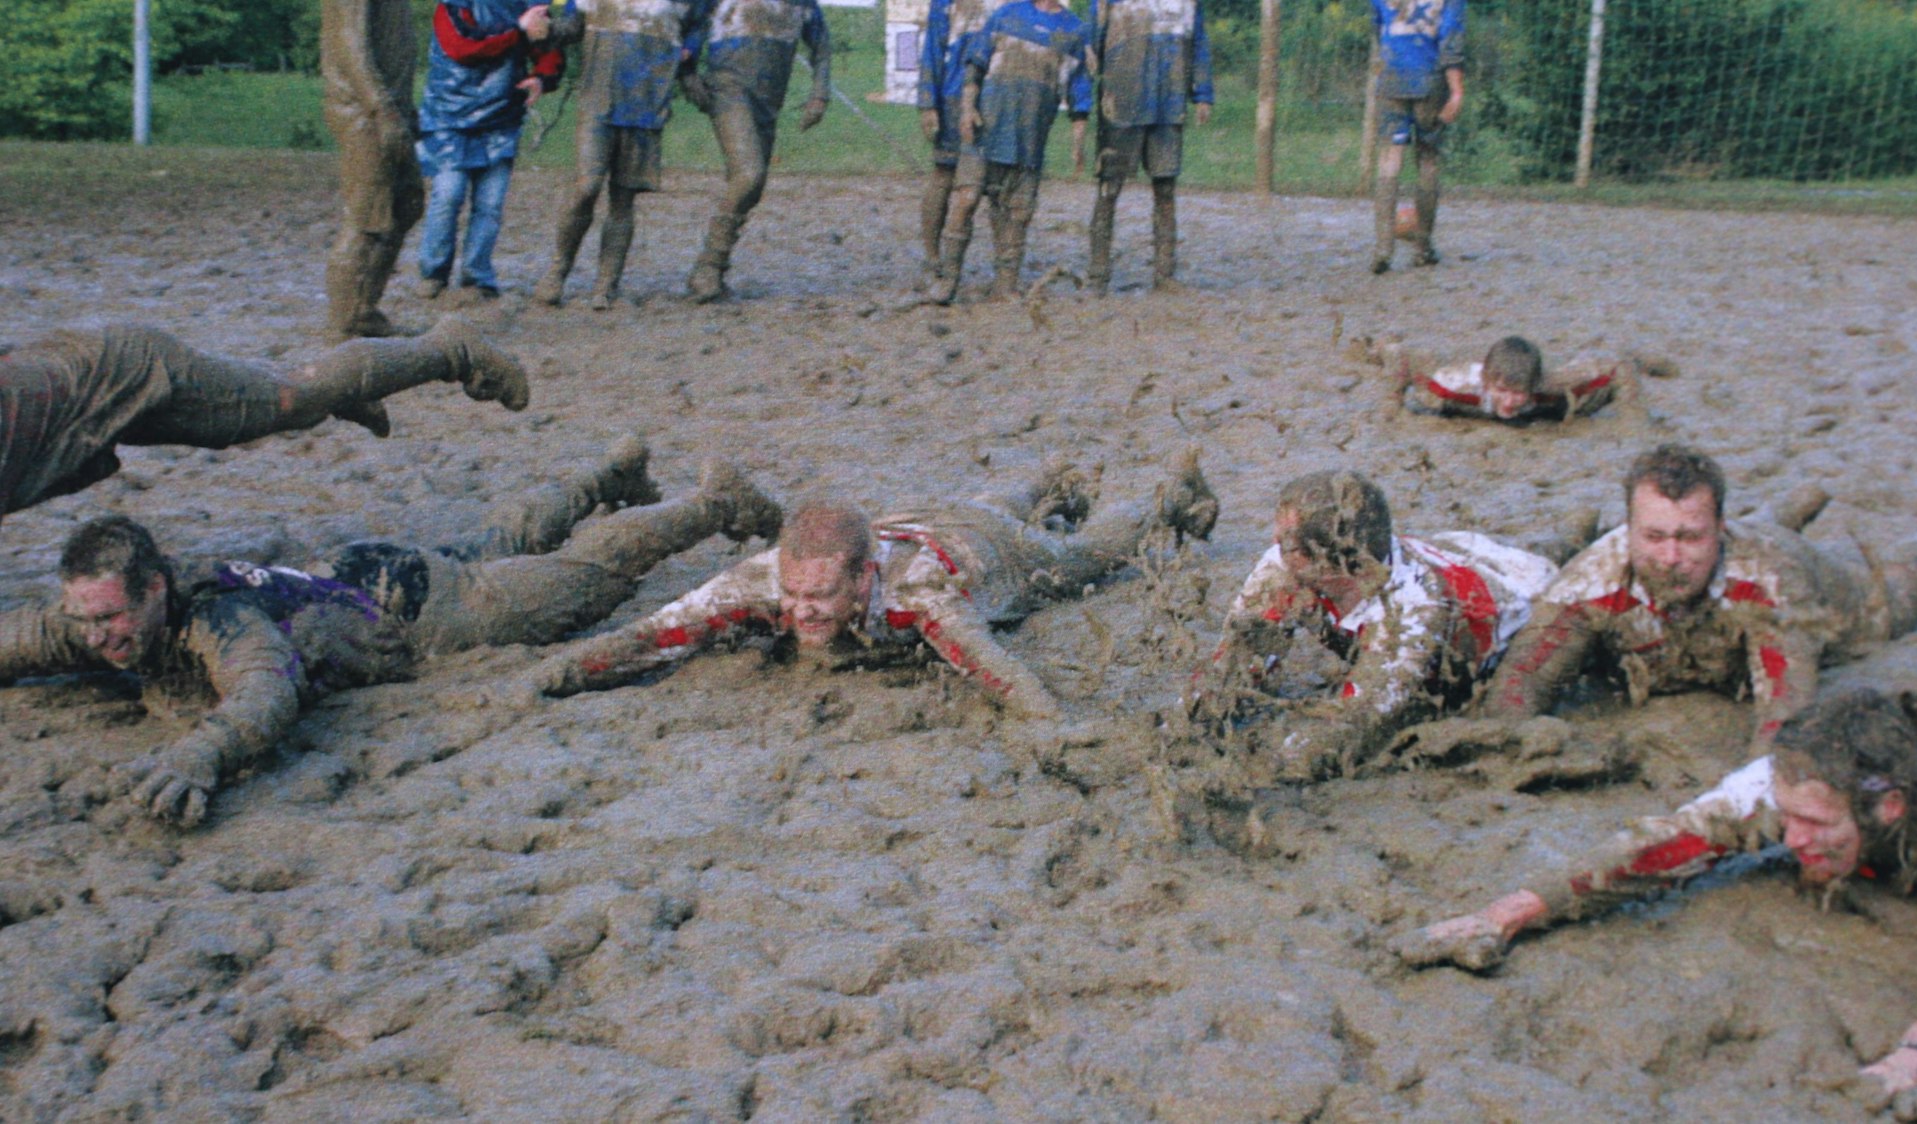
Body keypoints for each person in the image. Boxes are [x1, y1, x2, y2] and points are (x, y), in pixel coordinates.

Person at [0, 448, 783, 827]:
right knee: (498, 541)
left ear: (155, 590)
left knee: (583, 579)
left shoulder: (217, 618)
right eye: (85, 620)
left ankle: (714, 501)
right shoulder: (92, 614)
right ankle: (605, 474)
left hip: (416, 610)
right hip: (352, 574)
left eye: (111, 619)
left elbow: (265, 689)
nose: (97, 636)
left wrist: (199, 753)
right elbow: (19, 639)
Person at [1396, 689, 1917, 1121]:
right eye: (1787, 817)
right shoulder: (1790, 781)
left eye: (1816, 825)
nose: (1791, 840)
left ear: (1890, 808)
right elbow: (1658, 848)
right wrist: (1503, 915)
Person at [527, 452, 1218, 716]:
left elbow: (997, 670)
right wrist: (552, 677)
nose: (802, 612)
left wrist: (1050, 724)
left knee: (1076, 559)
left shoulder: (918, 596)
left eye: (821, 599)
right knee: (987, 502)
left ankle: (1167, 498)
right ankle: (1049, 477)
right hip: (921, 515)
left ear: (864, 580)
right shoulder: (762, 581)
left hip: (986, 550)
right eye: (795, 595)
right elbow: (652, 636)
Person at [1483, 444, 1917, 745]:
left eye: (1690, 538)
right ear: (1627, 530)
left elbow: (1783, 717)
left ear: (1717, 530)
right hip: (1733, 561)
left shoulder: (1769, 587)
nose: (1670, 558)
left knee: (1900, 600)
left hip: (1816, 582)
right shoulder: (1589, 584)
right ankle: (1791, 506)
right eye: (1654, 537)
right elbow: (1520, 682)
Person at [1188, 469, 1560, 780]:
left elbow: (1353, 725)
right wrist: (1192, 720)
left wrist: (1249, 770)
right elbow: (1234, 665)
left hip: (1524, 599)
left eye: (1289, 544)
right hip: (1453, 551)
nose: (1274, 545)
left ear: (1336, 566)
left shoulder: (1412, 613)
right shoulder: (1284, 565)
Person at [0, 318, 530, 526]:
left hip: (128, 373)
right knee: (279, 395)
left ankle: (451, 349)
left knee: (294, 398)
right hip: (86, 372)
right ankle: (346, 388)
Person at [534, 0, 710, 310]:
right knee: (586, 188)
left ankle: (606, 285)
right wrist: (545, 28)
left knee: (623, 200)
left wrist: (690, 51)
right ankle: (558, 270)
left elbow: (698, 23)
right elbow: (572, 27)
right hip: (597, 99)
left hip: (647, 103)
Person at [923, 0, 1094, 305]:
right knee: (965, 199)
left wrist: (1078, 140)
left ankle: (1005, 284)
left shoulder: (1075, 31)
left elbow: (1079, 90)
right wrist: (967, 109)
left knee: (1017, 212)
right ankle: (947, 280)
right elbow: (975, 63)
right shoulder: (1007, 14)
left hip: (1030, 136)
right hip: (986, 126)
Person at [680, 0, 832, 303]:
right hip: (727, 87)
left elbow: (822, 45)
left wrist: (819, 93)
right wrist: (687, 72)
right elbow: (692, 22)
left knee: (753, 188)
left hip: (769, 97)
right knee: (749, 174)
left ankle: (715, 269)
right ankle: (708, 267)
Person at [414, 1, 566, 300]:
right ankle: (433, 273)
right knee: (448, 194)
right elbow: (463, 47)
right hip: (448, 118)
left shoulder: (528, 5)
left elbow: (549, 48)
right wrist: (519, 31)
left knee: (490, 204)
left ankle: (477, 277)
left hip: (501, 119)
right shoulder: (453, 6)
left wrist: (542, 77)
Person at [1084, 0, 1212, 295]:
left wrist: (1203, 93)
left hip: (1169, 103)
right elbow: (1090, 45)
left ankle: (1164, 274)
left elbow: (1199, 43)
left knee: (1165, 188)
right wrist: (1080, 96)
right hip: (1121, 105)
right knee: (1109, 188)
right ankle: (1097, 276)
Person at [322, 0, 426, 338]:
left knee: (406, 203)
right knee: (366, 218)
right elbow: (349, 41)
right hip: (365, 113)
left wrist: (403, 109)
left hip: (389, 107)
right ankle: (345, 324)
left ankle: (363, 309)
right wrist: (381, 109)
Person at [1367, 0, 1465, 275]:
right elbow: (1451, 43)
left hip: (1392, 78)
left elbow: (1378, 28)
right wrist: (1457, 90)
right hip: (1430, 80)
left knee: (1389, 159)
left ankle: (1383, 249)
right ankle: (1423, 247)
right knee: (1428, 158)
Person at [914, 0, 1004, 288]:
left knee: (1001, 181)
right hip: (954, 96)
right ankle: (932, 257)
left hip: (1000, 98)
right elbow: (932, 48)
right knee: (944, 174)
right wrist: (927, 102)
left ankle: (1004, 271)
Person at [1393, 336, 1645, 422]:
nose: (1509, 401)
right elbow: (1403, 358)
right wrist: (1393, 407)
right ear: (1486, 382)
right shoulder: (1452, 386)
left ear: (1533, 386)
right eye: (1502, 390)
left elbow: (1618, 367)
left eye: (1518, 393)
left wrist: (1632, 414)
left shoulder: (1551, 386)